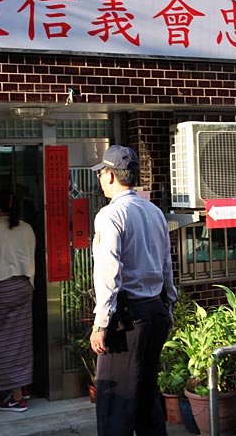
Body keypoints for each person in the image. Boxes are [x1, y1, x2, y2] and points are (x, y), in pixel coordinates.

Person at [90, 145, 178, 436]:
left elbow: (108, 273)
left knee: (116, 402)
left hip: (126, 318)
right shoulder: (154, 212)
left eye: (101, 173)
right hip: (154, 310)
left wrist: (101, 323)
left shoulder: (110, 215)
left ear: (110, 176)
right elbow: (166, 265)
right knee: (146, 397)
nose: (100, 179)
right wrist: (169, 307)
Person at [0, 188, 36, 412]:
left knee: (4, 343)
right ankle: (23, 386)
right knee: (21, 340)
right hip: (25, 286)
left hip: (1, 288)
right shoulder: (27, 228)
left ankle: (16, 396)